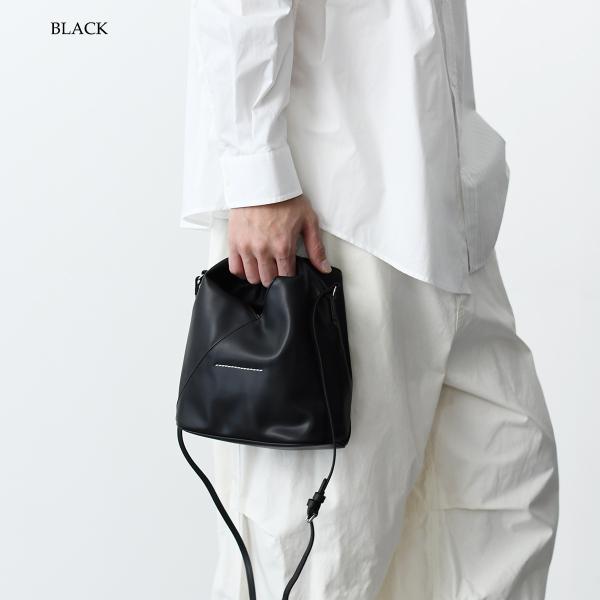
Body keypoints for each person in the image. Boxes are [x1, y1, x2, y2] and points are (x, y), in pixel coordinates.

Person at [181, 1, 559, 598]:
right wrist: (256, 172)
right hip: (331, 203)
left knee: (502, 490)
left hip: (439, 201)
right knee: (322, 548)